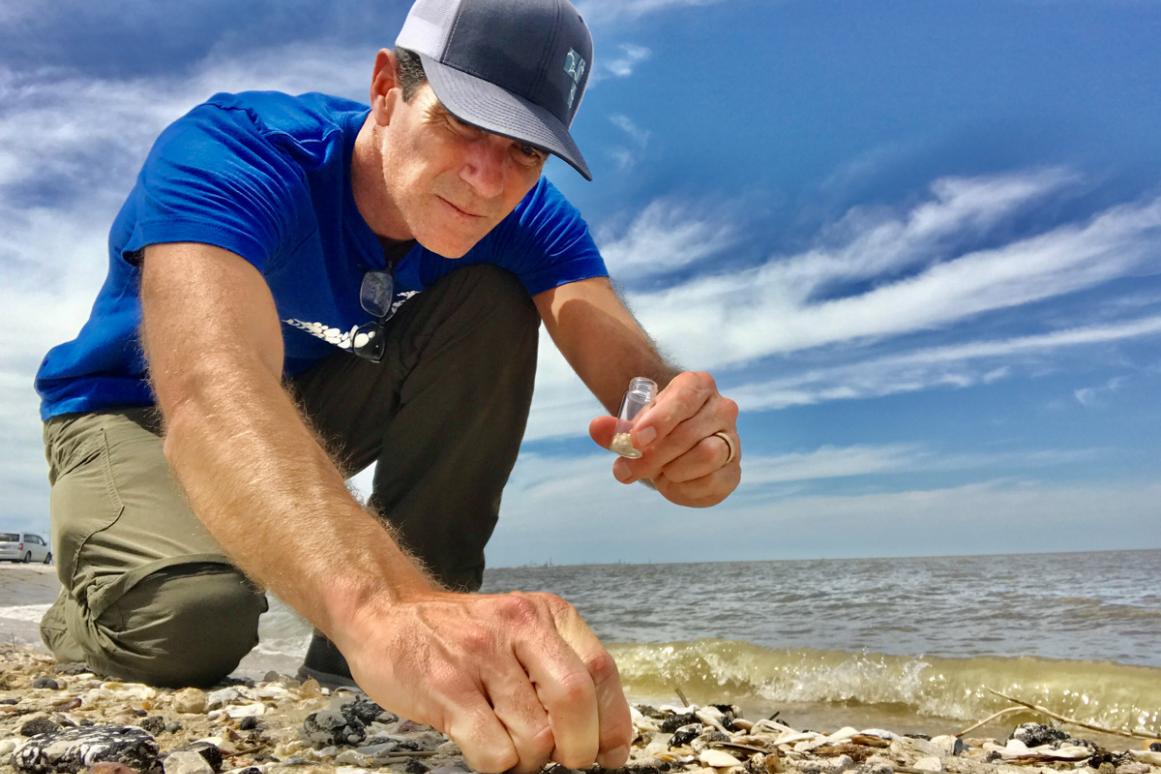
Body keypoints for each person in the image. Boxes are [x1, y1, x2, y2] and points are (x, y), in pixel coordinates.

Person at [32, 0, 741, 770]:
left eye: (526, 151)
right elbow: (211, 391)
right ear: (384, 87)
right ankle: (85, 610)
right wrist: (375, 608)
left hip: (301, 413)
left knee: (491, 299)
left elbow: (628, 366)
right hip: (129, 413)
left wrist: (689, 437)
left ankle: (392, 654)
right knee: (191, 623)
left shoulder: (524, 212)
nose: (487, 177)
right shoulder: (238, 151)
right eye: (465, 123)